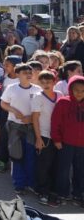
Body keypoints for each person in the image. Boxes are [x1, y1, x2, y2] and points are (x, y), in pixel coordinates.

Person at [0, 63, 41, 193]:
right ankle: (19, 184)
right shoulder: (11, 88)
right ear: (18, 75)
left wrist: (31, 118)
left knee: (30, 155)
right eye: (25, 73)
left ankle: (31, 182)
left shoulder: (37, 89)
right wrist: (14, 111)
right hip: (14, 126)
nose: (29, 75)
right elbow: (3, 103)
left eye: (30, 73)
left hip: (30, 126)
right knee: (16, 155)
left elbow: (40, 108)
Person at [51, 75, 84, 205]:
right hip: (66, 143)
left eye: (82, 90)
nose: (79, 93)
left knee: (80, 169)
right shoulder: (63, 102)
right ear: (70, 89)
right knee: (63, 169)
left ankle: (78, 193)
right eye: (76, 90)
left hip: (82, 145)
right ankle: (62, 193)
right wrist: (57, 139)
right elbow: (55, 123)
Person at [31, 70, 61, 206]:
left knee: (56, 165)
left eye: (48, 81)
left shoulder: (60, 95)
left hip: (58, 136)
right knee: (44, 165)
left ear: (54, 82)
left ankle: (53, 192)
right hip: (44, 135)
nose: (45, 84)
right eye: (42, 82)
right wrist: (38, 138)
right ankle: (42, 191)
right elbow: (35, 118)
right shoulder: (38, 97)